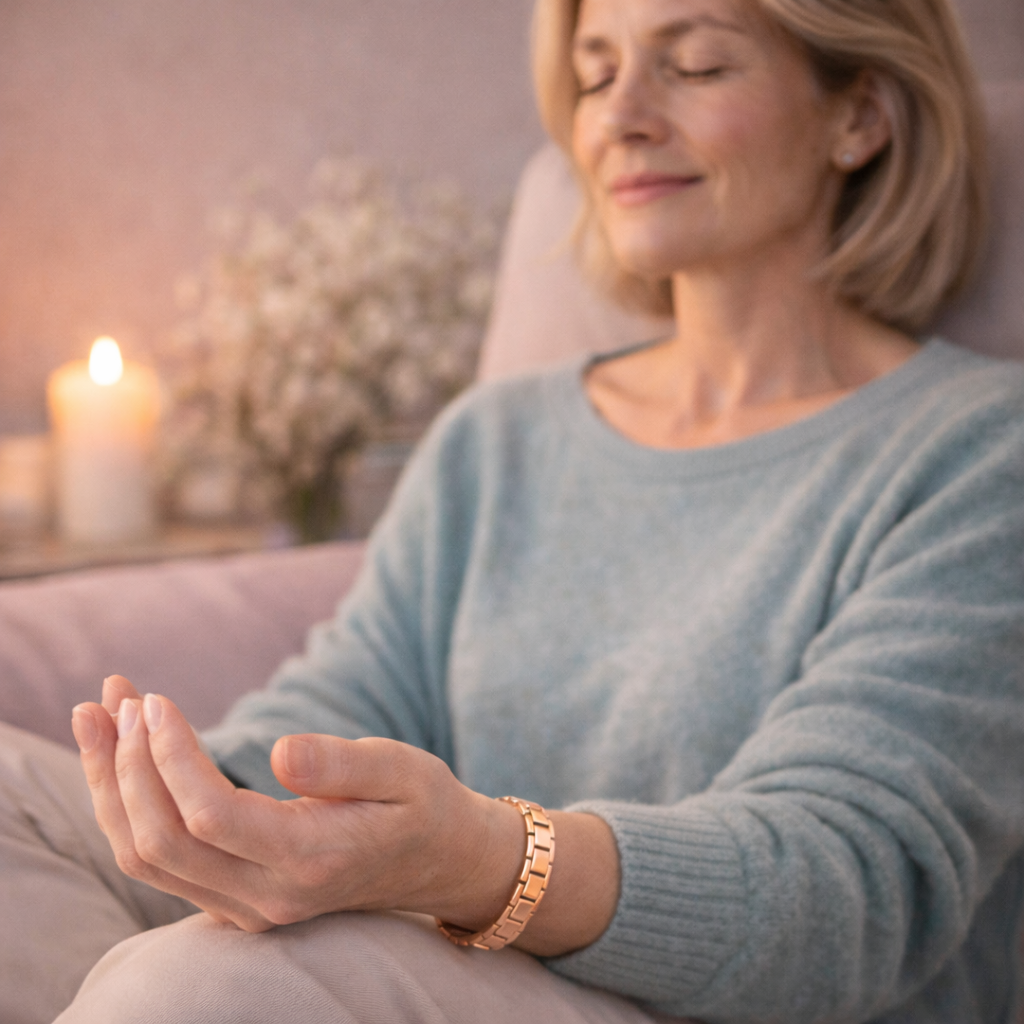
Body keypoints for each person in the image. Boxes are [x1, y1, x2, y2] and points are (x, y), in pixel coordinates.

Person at [1, 0, 1021, 1020]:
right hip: (449, 966)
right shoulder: (498, 440)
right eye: (593, 73)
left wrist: (480, 859)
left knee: (206, 981)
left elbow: (836, 892)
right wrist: (203, 802)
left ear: (860, 117)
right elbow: (349, 700)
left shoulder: (979, 454)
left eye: (696, 65)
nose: (619, 115)